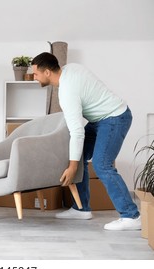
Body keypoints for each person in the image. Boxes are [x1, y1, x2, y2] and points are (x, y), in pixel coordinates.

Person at [31, 52, 141, 231]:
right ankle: (81, 209)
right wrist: (74, 161)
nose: (34, 77)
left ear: (48, 73)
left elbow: (77, 131)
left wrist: (72, 167)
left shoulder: (67, 91)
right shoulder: (71, 69)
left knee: (102, 164)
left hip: (115, 117)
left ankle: (131, 216)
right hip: (101, 120)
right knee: (78, 155)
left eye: (36, 73)